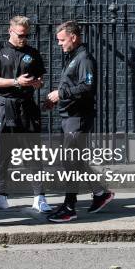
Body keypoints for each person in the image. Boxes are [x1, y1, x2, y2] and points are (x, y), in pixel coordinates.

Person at [45, 20, 114, 223]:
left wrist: (60, 93)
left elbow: (88, 87)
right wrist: (58, 99)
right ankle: (100, 193)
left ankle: (69, 207)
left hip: (78, 118)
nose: (59, 43)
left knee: (70, 162)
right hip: (70, 116)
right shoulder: (73, 57)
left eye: (62, 39)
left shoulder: (84, 58)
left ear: (73, 37)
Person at [0, 16, 52, 213]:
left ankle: (39, 197)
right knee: (1, 154)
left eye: (27, 35)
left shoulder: (32, 52)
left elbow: (41, 80)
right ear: (10, 31)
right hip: (4, 107)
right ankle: (0, 196)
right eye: (21, 35)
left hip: (26, 107)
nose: (24, 39)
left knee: (32, 154)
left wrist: (37, 83)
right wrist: (17, 82)